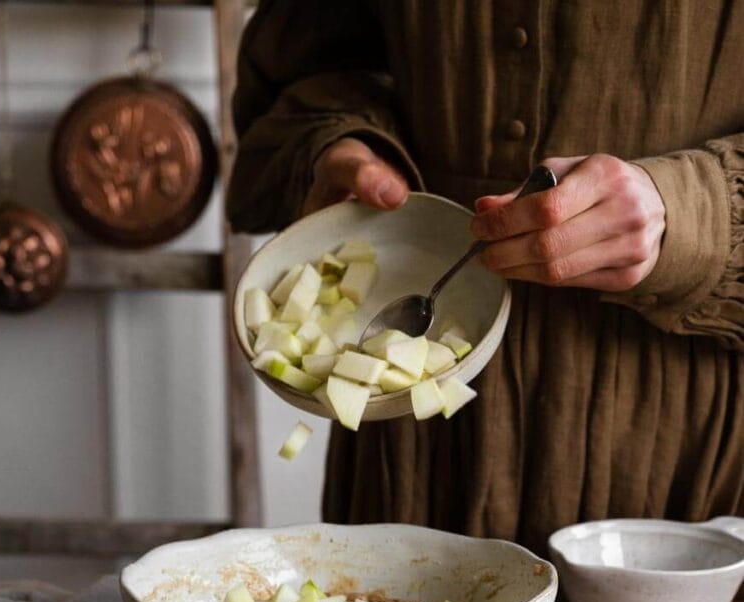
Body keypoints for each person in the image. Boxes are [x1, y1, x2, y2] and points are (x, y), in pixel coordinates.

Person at [227, 1, 743, 553]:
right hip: (415, 439)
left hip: (678, 417)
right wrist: (342, 141)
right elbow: (312, 65)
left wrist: (687, 209)